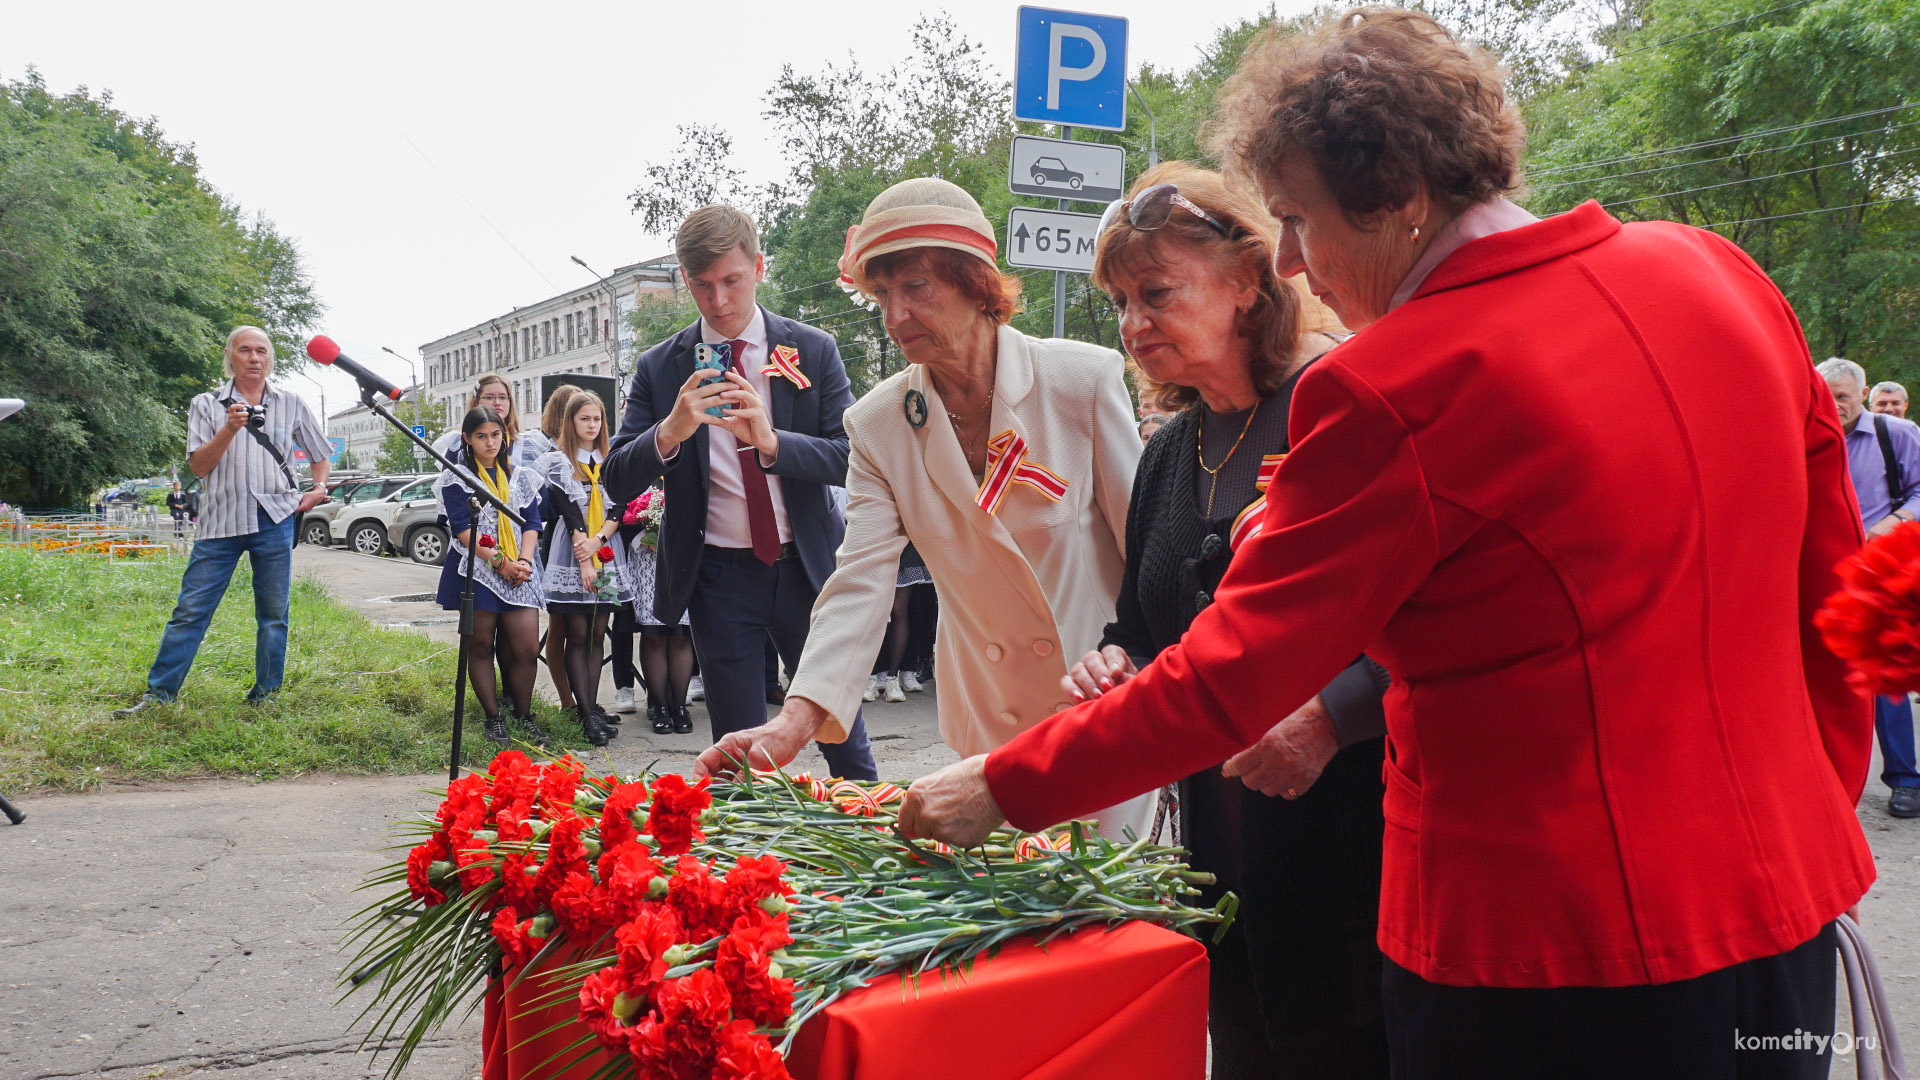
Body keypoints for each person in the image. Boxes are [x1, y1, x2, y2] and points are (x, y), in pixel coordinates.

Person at [894, 10, 1876, 1078]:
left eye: (1301, 222)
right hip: (1785, 904)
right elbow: (1834, 593)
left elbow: (1229, 677)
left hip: (1543, 949)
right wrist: (1819, 805)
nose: (1301, 264)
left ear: (1401, 193)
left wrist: (1002, 785)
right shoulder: (1716, 272)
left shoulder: (1395, 385)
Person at [697, 177, 1153, 839]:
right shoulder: (879, 425)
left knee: (1104, 917)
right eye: (881, 294)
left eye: (915, 288)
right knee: (1012, 919)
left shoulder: (1082, 383)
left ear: (975, 282)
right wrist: (792, 722)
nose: (894, 316)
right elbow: (859, 584)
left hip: (1103, 707)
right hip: (988, 724)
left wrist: (1142, 670)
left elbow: (1148, 556)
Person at [1068, 162, 1388, 1077]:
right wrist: (1114, 661)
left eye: (1156, 294)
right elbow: (1140, 620)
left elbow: (1414, 617)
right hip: (1218, 839)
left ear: (1249, 280)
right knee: (1243, 1038)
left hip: (1347, 832)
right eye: (1121, 303)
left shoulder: (1333, 408)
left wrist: (1334, 713)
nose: (1132, 326)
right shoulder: (1168, 453)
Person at [606, 204, 877, 780]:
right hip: (719, 578)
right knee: (736, 754)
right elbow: (615, 477)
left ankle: (877, 852)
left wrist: (774, 442)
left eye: (731, 281)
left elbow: (853, 456)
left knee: (842, 735)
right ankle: (753, 868)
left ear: (759, 267)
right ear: (685, 282)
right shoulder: (661, 367)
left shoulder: (812, 349)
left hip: (807, 569)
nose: (720, 300)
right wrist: (671, 431)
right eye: (703, 286)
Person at [116, 327, 331, 715]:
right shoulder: (206, 404)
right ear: (230, 357)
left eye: (261, 351)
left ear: (270, 358)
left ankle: (266, 696)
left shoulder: (291, 401)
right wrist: (229, 428)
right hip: (220, 522)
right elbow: (198, 466)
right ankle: (159, 695)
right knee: (191, 609)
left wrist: (316, 489)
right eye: (245, 350)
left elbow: (319, 453)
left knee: (272, 613)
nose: (253, 358)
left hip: (275, 516)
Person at [1819, 357, 1920, 818]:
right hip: (1816, 570)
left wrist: (1892, 523)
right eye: (1826, 396)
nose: (1833, 405)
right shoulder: (1807, 432)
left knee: (1878, 674)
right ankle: (1825, 780)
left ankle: (1904, 780)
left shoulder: (1894, 433)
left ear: (1862, 393)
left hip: (1873, 574)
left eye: (1841, 396)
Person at [435, 406, 548, 747]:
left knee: (527, 648)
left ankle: (523, 714)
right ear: (467, 439)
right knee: (481, 644)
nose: (490, 442)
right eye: (481, 436)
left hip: (519, 570)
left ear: (505, 435)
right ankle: (493, 717)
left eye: (496, 435)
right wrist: (500, 563)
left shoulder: (520, 475)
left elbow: (531, 523)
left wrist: (523, 562)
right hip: (479, 570)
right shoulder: (457, 477)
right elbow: (461, 530)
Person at [535, 392, 633, 746]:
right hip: (573, 550)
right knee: (577, 632)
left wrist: (601, 542)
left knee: (597, 632)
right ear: (570, 423)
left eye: (596, 420)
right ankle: (585, 714)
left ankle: (591, 707)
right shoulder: (559, 461)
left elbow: (618, 509)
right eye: (584, 419)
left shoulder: (611, 459)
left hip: (606, 551)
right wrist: (585, 557)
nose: (591, 426)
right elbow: (570, 513)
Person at [624, 485, 697, 735]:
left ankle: (679, 706)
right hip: (647, 557)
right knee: (653, 633)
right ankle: (660, 707)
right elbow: (624, 510)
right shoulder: (641, 459)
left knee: (681, 633)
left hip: (685, 556)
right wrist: (648, 535)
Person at [864, 544, 931, 703]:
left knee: (899, 610)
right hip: (876, 544)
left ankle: (891, 679)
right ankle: (871, 678)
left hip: (905, 549)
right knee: (875, 611)